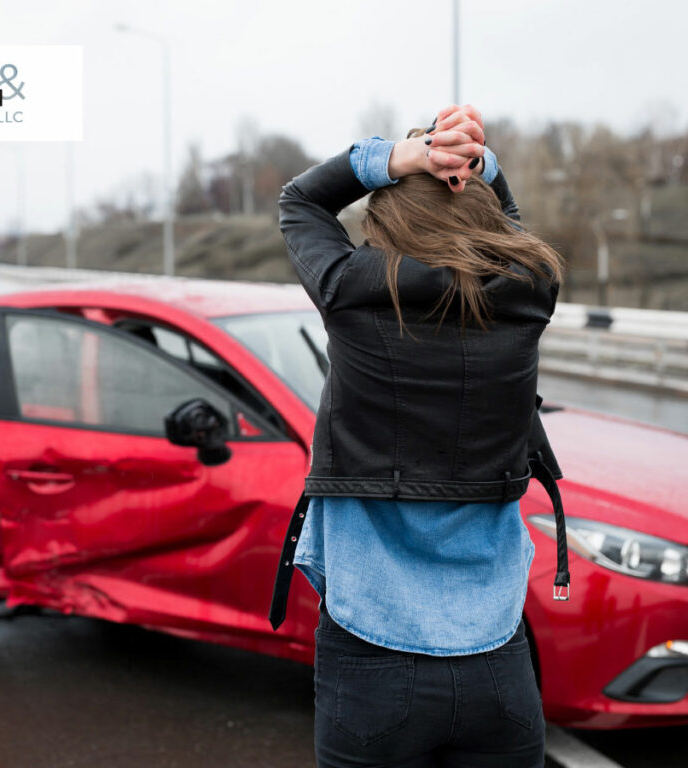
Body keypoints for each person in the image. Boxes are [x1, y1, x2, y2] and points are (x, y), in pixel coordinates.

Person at [271, 104, 569, 767]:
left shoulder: (352, 292)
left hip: (372, 661)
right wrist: (474, 161)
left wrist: (400, 157)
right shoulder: (528, 295)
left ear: (386, 225)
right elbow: (510, 228)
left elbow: (301, 202)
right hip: (498, 661)